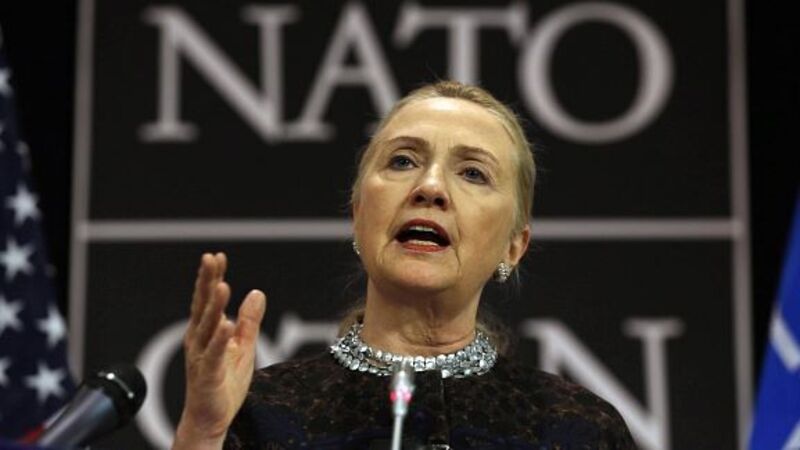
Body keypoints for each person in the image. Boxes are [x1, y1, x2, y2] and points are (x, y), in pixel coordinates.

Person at [171, 81, 636, 449]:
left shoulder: (578, 430)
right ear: (358, 216)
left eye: (473, 172)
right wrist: (203, 433)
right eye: (403, 161)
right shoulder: (259, 415)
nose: (430, 187)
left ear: (514, 247)